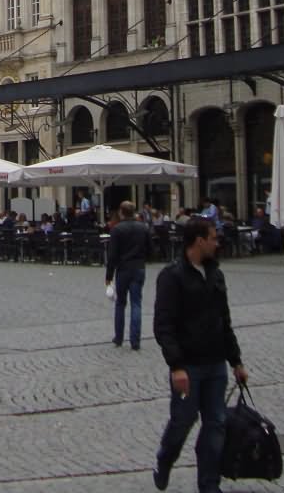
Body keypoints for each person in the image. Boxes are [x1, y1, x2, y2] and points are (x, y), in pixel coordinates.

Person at [151, 217, 249, 493]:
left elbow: (224, 320)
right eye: (213, 238)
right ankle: (165, 458)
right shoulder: (171, 277)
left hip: (216, 363)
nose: (217, 243)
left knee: (215, 424)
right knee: (182, 422)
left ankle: (209, 485)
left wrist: (236, 361)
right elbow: (163, 326)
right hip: (189, 366)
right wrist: (177, 366)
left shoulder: (216, 274)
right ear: (198, 241)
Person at [105, 200, 152, 350]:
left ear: (121, 212)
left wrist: (109, 275)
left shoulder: (117, 229)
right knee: (136, 303)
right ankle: (135, 340)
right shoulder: (143, 228)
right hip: (138, 268)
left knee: (120, 303)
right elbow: (151, 249)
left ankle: (119, 337)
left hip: (123, 269)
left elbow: (112, 255)